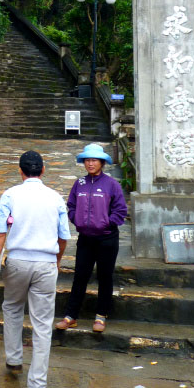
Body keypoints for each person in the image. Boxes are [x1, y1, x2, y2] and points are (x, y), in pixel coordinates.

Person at [0, 150, 70, 388]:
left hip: (17, 261)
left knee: (12, 308)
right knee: (42, 323)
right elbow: (63, 237)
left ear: (20, 171)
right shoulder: (55, 197)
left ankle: (14, 358)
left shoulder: (10, 195)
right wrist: (56, 260)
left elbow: (0, 233)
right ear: (43, 170)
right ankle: (37, 385)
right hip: (46, 263)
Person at [55, 143, 127, 334]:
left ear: (102, 162)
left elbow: (121, 210)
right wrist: (77, 219)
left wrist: (107, 223)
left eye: (94, 160)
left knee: (105, 276)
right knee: (80, 276)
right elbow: (71, 206)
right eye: (87, 160)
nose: (90, 163)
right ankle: (71, 316)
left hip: (107, 239)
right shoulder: (79, 184)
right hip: (85, 239)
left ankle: (101, 316)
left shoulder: (112, 184)